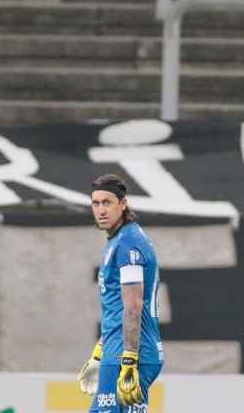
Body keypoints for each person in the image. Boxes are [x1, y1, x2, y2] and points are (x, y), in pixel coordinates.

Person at [78, 173, 163, 412]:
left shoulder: (128, 243)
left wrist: (128, 360)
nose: (101, 210)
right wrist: (99, 351)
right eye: (96, 203)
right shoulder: (123, 239)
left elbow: (133, 307)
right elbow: (118, 309)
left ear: (122, 204)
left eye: (108, 202)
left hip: (126, 356)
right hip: (120, 351)